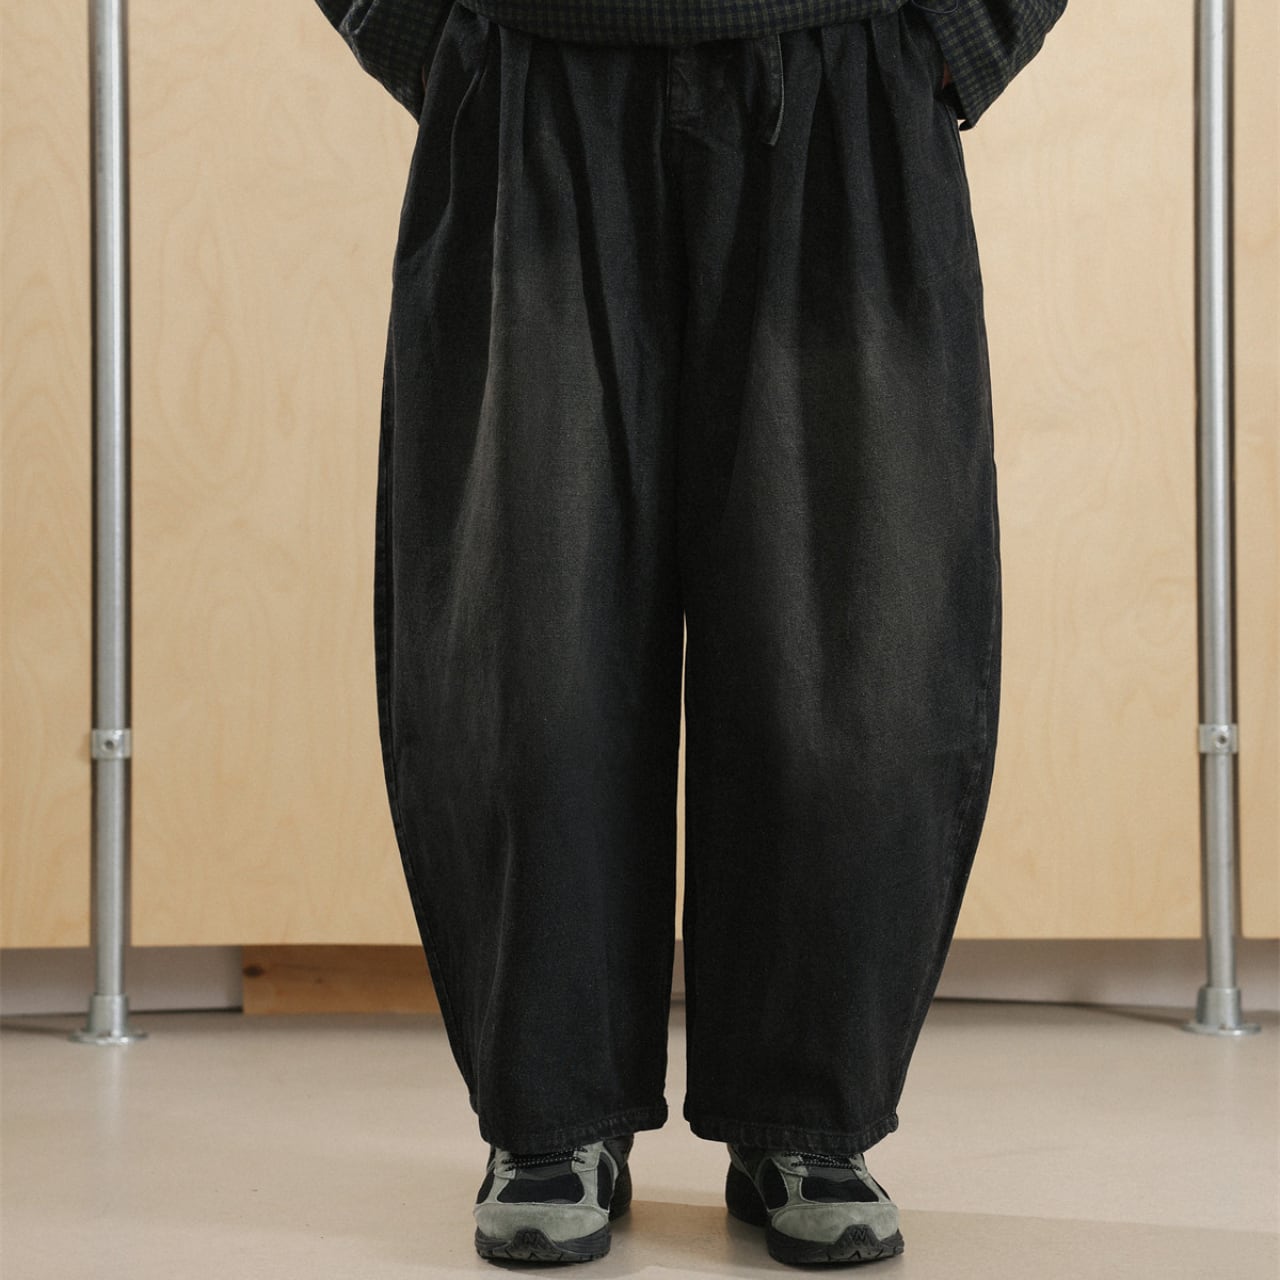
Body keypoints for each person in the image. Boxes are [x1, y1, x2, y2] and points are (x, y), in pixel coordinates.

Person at [314, 0, 1067, 1266]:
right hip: (533, 62)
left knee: (846, 648)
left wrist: (964, 29)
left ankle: (806, 1111)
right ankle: (549, 1110)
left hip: (843, 65)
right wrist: (423, 31)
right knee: (526, 641)